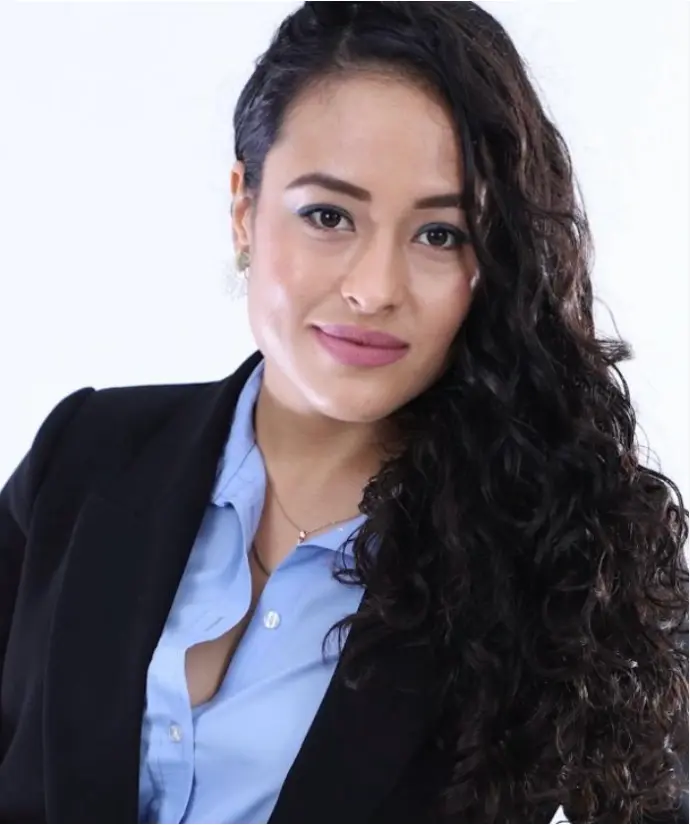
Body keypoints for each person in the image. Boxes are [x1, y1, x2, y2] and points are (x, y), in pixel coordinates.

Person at [0, 2, 687, 823]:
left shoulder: (565, 555)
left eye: (440, 234)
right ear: (244, 210)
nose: (374, 288)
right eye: (328, 216)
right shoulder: (86, 454)